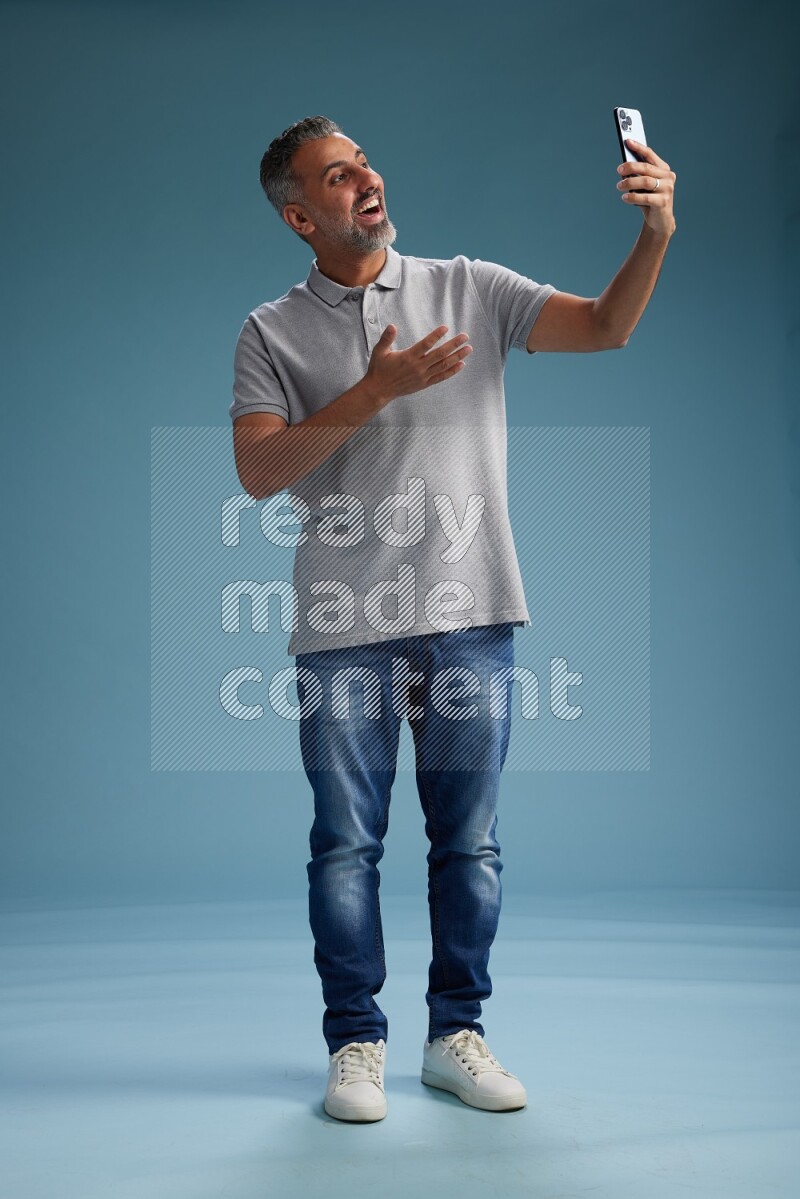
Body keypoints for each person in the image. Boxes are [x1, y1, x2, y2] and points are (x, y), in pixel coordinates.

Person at [230, 115, 676, 1123]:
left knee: (466, 842)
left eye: (363, 160)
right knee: (345, 843)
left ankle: (452, 1034)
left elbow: (605, 326)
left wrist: (653, 233)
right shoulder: (269, 331)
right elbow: (258, 471)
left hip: (471, 609)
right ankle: (354, 1041)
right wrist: (373, 390)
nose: (363, 178)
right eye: (334, 176)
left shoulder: (469, 286)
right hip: (342, 622)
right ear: (301, 215)